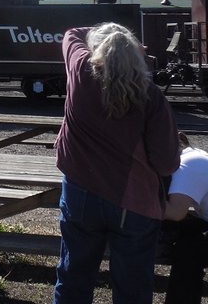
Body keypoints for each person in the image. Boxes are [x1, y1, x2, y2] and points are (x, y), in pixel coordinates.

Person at [54, 23, 180, 304]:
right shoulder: (152, 97)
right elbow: (166, 163)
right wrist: (124, 39)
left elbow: (71, 34)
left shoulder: (80, 71)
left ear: (95, 51)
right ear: (137, 55)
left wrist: (110, 31)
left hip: (80, 194)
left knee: (73, 276)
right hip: (133, 202)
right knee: (132, 287)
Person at [161, 132, 208, 304]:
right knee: (190, 242)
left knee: (190, 248)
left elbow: (175, 212)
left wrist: (140, 201)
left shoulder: (186, 165)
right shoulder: (197, 155)